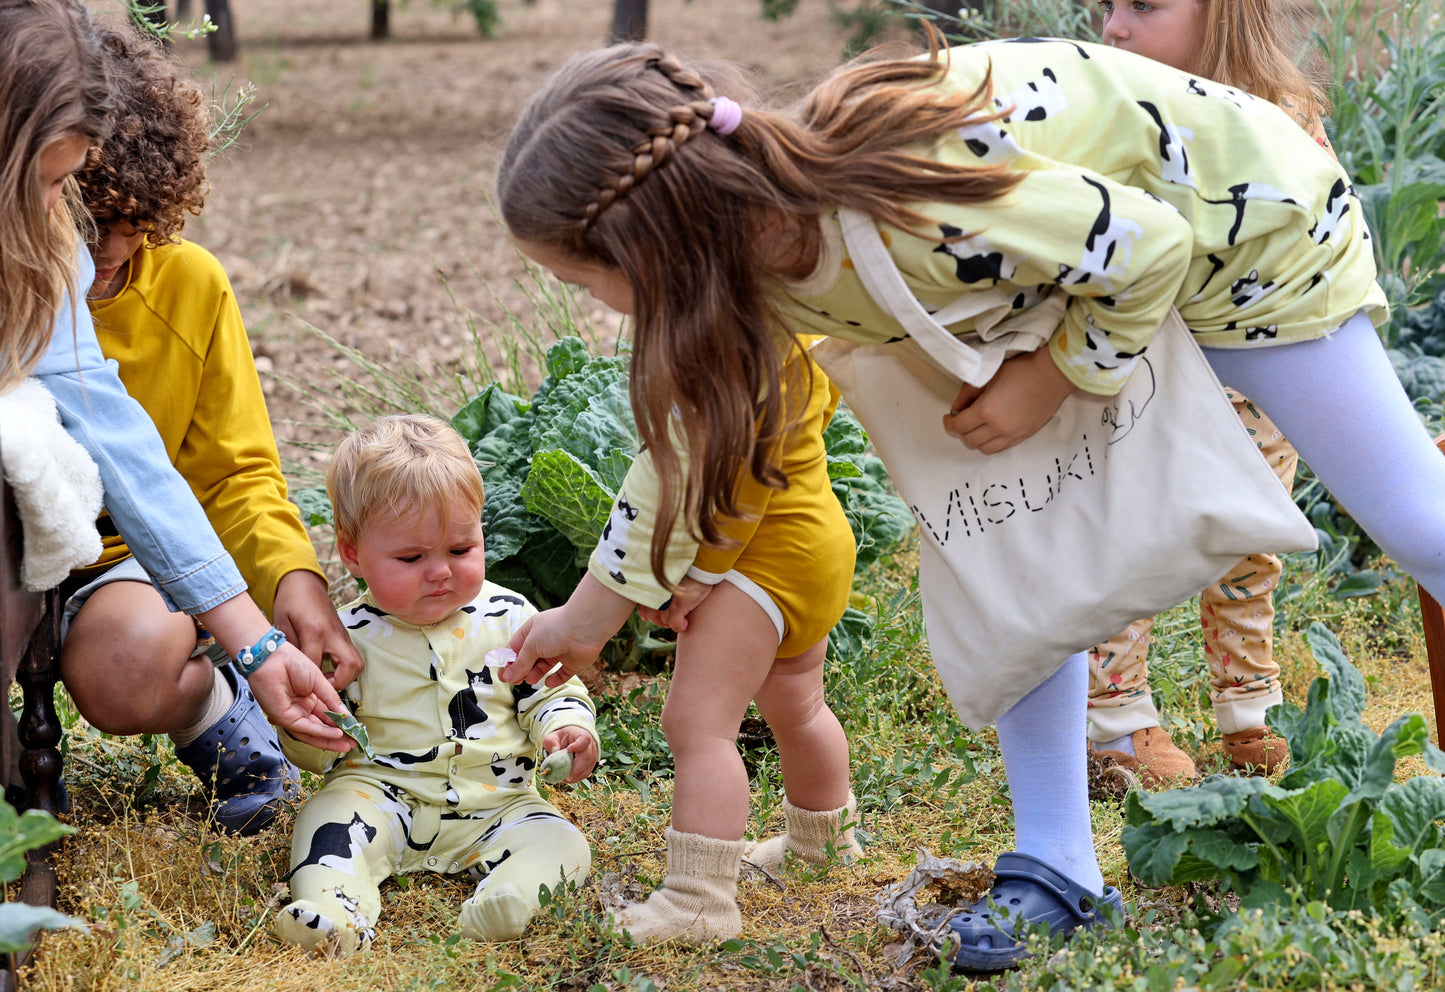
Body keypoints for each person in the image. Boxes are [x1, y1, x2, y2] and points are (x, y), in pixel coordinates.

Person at [493, 29, 1445, 971]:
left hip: (1242, 236)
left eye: (589, 282)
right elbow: (693, 441)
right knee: (1019, 567)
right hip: (1070, 290)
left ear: (653, 244)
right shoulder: (746, 269)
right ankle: (1056, 868)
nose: (606, 310)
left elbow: (1147, 243)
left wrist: (1054, 376)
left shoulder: (907, 193)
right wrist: (587, 617)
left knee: (1413, 520)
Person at [1, 0, 351, 823]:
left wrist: (273, 612)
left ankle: (221, 724)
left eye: (120, 232)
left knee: (127, 661)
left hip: (122, 566)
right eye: (59, 193)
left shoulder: (144, 279)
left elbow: (187, 462)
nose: (90, 249)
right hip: (19, 550)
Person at [493, 323, 861, 941]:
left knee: (698, 726)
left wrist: (699, 573)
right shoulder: (794, 325)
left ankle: (698, 903)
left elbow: (735, 481)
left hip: (753, 564)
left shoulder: (733, 345)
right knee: (799, 708)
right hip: (816, 544)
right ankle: (822, 846)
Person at [1086, 0, 1334, 785]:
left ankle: (1247, 705)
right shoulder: (1109, 119)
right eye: (1105, 7)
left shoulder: (1286, 118)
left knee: (1249, 543)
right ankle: (1116, 720)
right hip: (1145, 376)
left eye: (1142, 5)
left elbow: (1322, 233)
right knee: (1131, 540)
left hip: (1260, 373)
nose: (1113, 26)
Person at [273, 415, 599, 955]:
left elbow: (551, 689)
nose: (441, 572)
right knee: (325, 822)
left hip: (499, 804)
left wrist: (567, 726)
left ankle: (510, 897)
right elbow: (311, 748)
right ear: (352, 553)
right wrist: (307, 721)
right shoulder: (344, 637)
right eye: (411, 558)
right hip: (379, 797)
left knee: (563, 842)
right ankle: (336, 911)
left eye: (461, 549)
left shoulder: (511, 618)